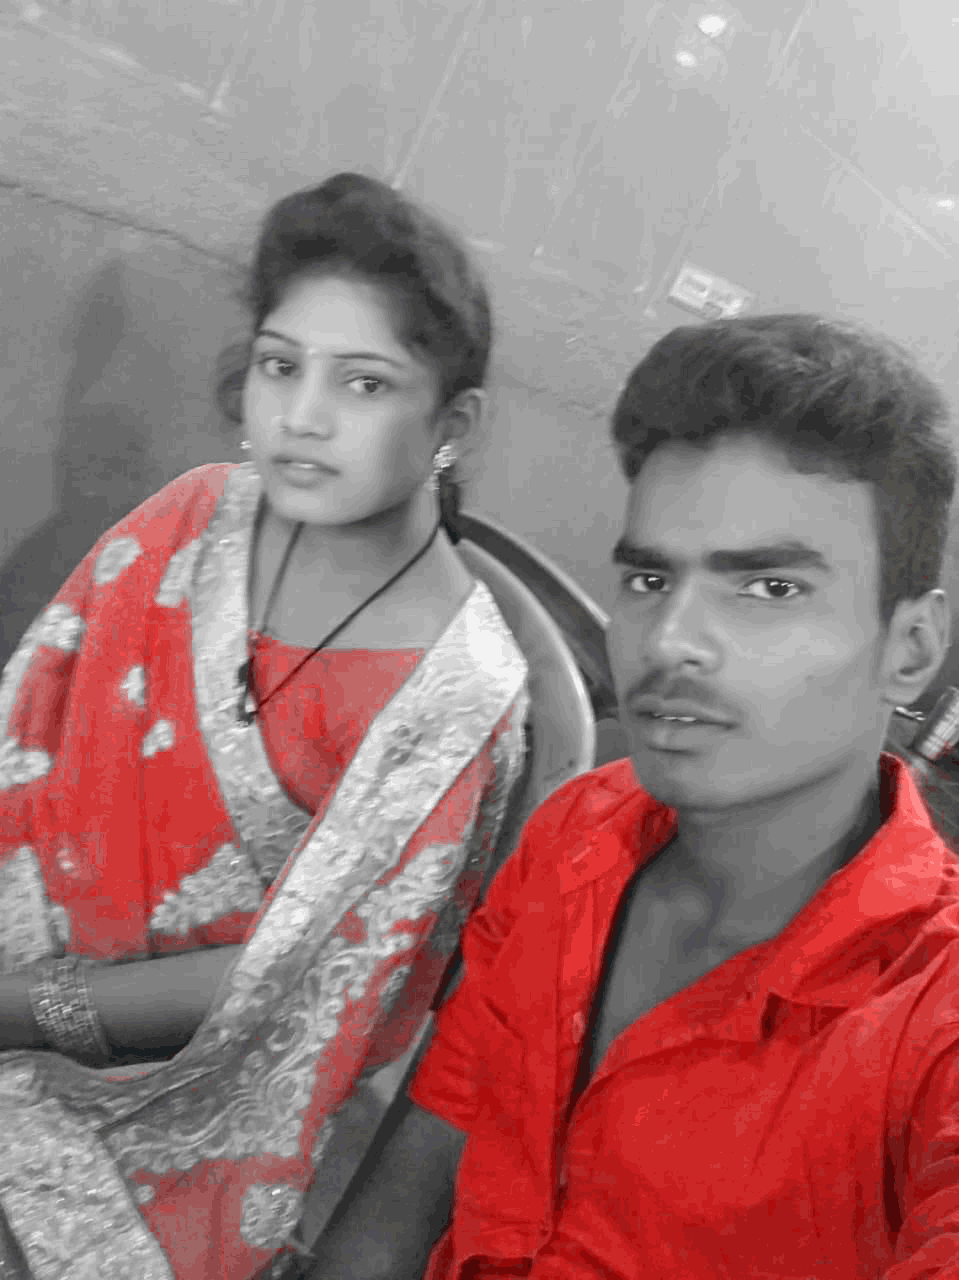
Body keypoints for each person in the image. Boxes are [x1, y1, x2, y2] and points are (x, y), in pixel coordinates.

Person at [306, 313, 959, 1280]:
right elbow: (421, 1165)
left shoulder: (928, 1015)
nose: (668, 640)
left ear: (909, 648)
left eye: (769, 589)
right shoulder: (576, 834)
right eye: (649, 578)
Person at [0, 172, 529, 1280]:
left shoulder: (452, 697)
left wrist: (22, 1010)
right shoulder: (194, 514)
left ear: (453, 424)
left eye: (364, 382)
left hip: (160, 1122)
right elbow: (26, 736)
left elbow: (296, 988)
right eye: (282, 365)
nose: (302, 416)